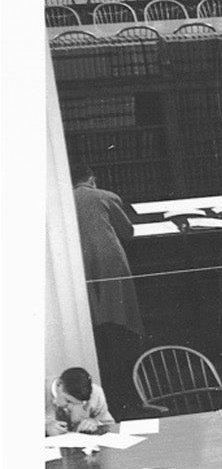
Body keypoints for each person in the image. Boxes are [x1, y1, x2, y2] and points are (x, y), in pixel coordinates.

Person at [71, 163, 143, 389]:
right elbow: (127, 232)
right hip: (108, 261)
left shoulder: (63, 199)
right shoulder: (105, 196)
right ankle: (126, 368)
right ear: (92, 180)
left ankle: (104, 370)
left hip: (79, 261)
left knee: (93, 313)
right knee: (119, 309)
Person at [46, 366, 114, 435]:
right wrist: (45, 429)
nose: (70, 407)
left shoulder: (96, 393)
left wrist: (96, 423)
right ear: (59, 384)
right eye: (68, 401)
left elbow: (109, 425)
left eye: (78, 403)